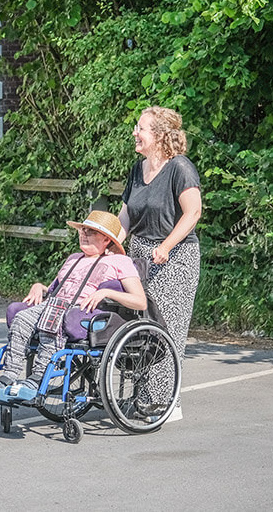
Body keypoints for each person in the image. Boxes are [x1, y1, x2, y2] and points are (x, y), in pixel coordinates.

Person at [0, 210, 147, 400]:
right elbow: (54, 289)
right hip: (55, 304)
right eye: (82, 230)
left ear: (106, 239)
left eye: (90, 232)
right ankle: (9, 375)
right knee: (21, 316)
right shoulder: (73, 258)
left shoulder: (120, 262)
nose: (84, 234)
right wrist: (39, 287)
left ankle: (37, 378)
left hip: (83, 312)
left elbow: (140, 301)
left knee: (54, 315)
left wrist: (106, 292)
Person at [118, 106, 202, 420]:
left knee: (165, 327)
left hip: (175, 256)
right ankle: (142, 399)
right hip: (139, 254)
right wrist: (107, 245)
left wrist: (167, 245)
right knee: (137, 325)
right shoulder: (137, 170)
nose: (135, 133)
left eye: (141, 128)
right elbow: (125, 217)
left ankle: (168, 402)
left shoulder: (180, 167)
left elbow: (193, 213)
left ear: (159, 136)